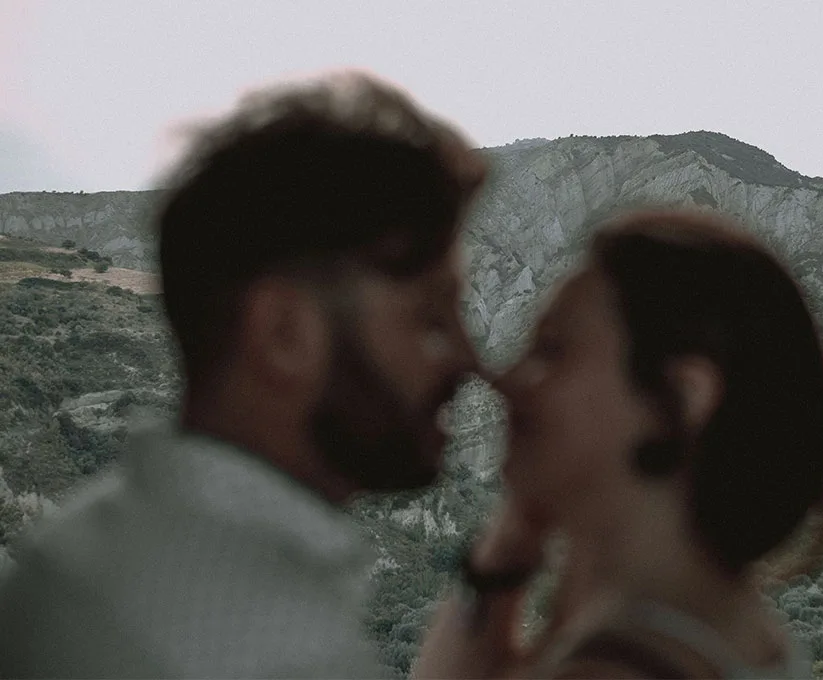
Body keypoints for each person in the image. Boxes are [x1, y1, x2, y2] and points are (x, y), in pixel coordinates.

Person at [0, 71, 486, 678]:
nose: (469, 361)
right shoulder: (271, 645)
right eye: (431, 318)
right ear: (284, 333)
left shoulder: (91, 549)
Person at [414, 209, 823, 679]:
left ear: (680, 399)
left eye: (552, 350)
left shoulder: (614, 668)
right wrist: (512, 537)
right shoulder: (726, 626)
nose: (507, 380)